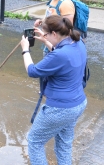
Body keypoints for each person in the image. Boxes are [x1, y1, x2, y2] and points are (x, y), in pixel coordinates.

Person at [21, 15, 87, 165]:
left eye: (46, 34)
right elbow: (64, 58)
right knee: (64, 145)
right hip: (78, 104)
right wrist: (46, 41)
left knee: (35, 142)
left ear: (55, 34)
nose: (45, 37)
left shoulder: (59, 55)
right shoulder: (78, 43)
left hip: (59, 109)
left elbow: (33, 71)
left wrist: (25, 50)